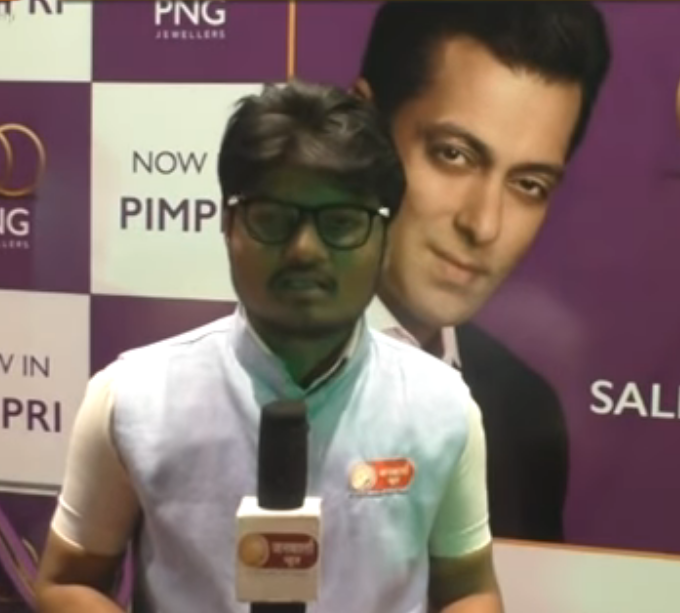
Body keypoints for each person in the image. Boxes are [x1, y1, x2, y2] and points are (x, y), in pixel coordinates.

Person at [35, 81, 503, 613]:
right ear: (228, 223)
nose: (305, 250)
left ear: (386, 237)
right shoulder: (132, 399)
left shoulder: (441, 406)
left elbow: (469, 590)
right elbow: (66, 582)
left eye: (341, 223)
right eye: (274, 219)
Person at [354, 0, 612, 542]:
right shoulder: (229, 377)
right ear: (363, 129)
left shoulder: (525, 411)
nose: (484, 224)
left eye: (529, 185)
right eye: (454, 155)